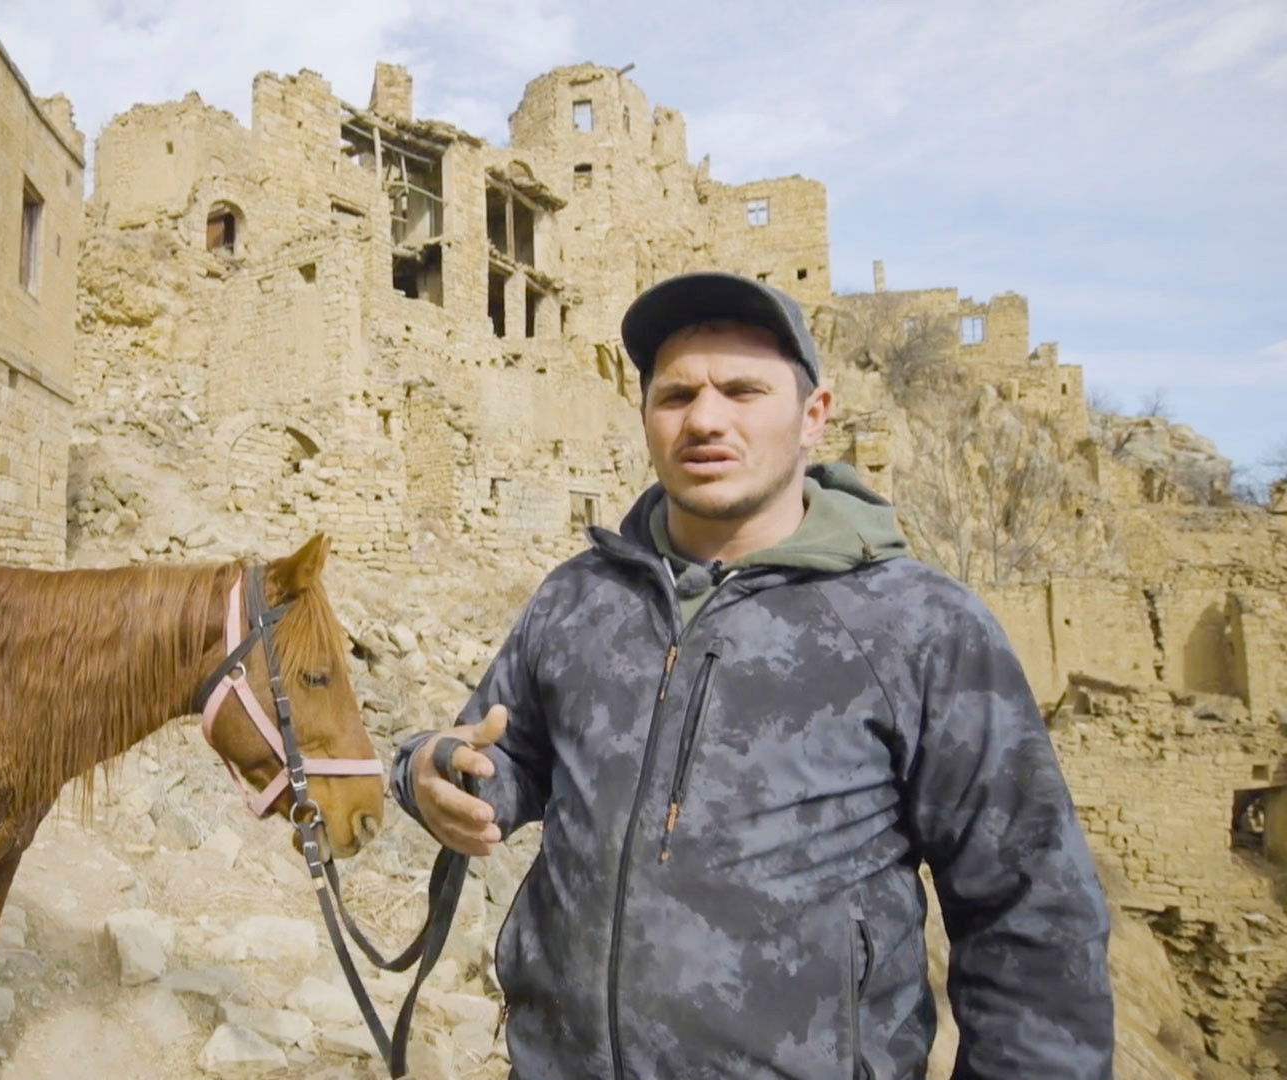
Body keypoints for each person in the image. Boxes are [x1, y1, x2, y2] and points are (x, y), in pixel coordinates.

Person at [389, 272, 1113, 1079]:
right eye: (676, 396)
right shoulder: (580, 596)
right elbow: (500, 755)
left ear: (813, 416)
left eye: (742, 391)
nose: (705, 418)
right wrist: (427, 771)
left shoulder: (920, 627)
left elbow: (1032, 919)